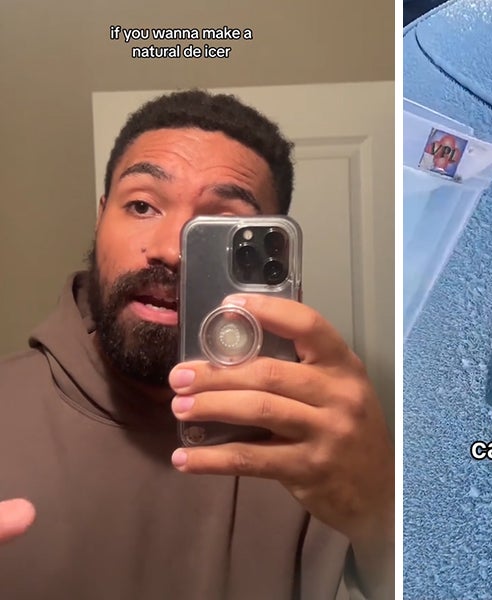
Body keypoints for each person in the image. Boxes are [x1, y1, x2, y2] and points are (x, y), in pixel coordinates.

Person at [0, 90, 394, 599]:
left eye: (222, 225)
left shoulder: (320, 440)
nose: (170, 249)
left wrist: (382, 513)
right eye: (142, 205)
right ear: (101, 218)